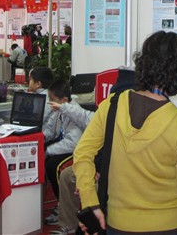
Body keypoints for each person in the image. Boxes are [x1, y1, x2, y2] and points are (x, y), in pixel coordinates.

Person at [73, 31, 177, 235]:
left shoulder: (112, 105)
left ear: (143, 64)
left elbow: (82, 154)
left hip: (119, 223)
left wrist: (90, 202)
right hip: (170, 224)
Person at [49, 67, 136, 235]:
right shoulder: (109, 110)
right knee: (67, 175)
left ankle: (95, 223)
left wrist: (98, 173)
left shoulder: (136, 117)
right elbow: (92, 148)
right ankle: (69, 225)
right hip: (99, 166)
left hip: (118, 174)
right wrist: (93, 171)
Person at [43, 79, 87, 227]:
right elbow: (51, 130)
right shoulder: (57, 110)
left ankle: (62, 206)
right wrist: (40, 138)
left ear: (64, 100)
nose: (50, 102)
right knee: (45, 156)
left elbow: (73, 143)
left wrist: (49, 151)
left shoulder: (74, 112)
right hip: (65, 143)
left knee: (54, 166)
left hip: (76, 149)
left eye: (53, 99)